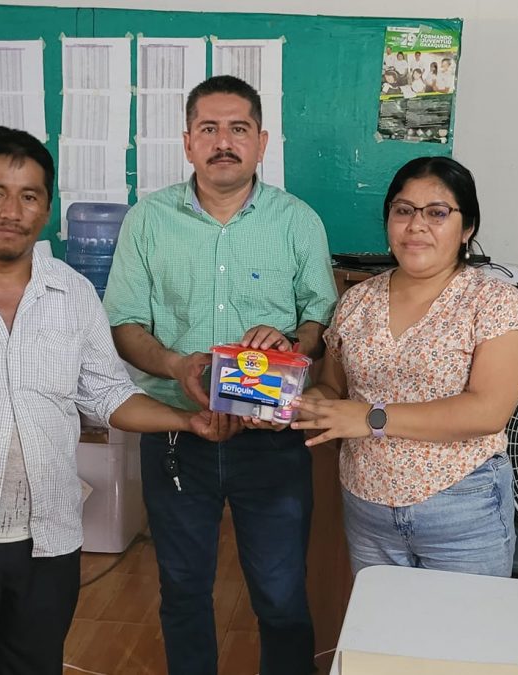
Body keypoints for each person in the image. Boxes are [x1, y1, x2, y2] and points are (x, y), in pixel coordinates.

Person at [0, 126, 220, 675]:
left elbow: (107, 394)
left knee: (36, 664)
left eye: (29, 196)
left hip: (47, 540)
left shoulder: (72, 295)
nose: (11, 211)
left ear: (46, 209)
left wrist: (188, 422)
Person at [103, 75, 337, 675]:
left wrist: (290, 343)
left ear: (262, 142)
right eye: (209, 129)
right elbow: (123, 323)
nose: (223, 142)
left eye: (238, 129)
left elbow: (322, 318)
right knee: (183, 590)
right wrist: (175, 365)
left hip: (273, 438)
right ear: (187, 143)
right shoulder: (148, 221)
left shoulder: (297, 222)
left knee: (281, 595)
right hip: (179, 431)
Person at [292, 156, 518, 577]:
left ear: (468, 228)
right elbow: (331, 388)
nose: (416, 225)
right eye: (403, 211)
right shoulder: (357, 300)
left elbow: (488, 410)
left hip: (461, 506)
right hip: (366, 504)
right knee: (384, 638)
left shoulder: (493, 301)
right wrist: (289, 400)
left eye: (437, 213)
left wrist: (371, 418)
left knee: (463, 639)